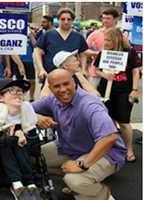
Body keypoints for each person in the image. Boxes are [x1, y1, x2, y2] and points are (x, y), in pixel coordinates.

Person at [32, 69, 126, 200]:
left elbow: (110, 137)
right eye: (57, 86)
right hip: (71, 147)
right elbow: (26, 108)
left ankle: (101, 193)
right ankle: (79, 183)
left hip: (106, 153)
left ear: (74, 82)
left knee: (75, 180)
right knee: (33, 160)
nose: (63, 89)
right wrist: (36, 117)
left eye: (66, 84)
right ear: (50, 88)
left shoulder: (90, 105)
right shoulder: (52, 100)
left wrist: (81, 165)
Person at [0, 79, 41, 200]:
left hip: (20, 138)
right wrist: (5, 127)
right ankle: (16, 182)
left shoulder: (26, 107)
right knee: (7, 141)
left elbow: (31, 130)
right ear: (0, 97)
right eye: (12, 91)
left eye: (20, 91)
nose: (18, 93)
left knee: (19, 143)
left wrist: (21, 134)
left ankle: (29, 182)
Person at [94, 27, 140, 162]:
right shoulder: (103, 53)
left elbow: (135, 71)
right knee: (109, 120)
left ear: (116, 39)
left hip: (124, 91)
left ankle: (129, 149)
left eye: (108, 39)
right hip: (106, 91)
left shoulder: (129, 52)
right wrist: (105, 75)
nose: (106, 42)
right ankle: (115, 147)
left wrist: (134, 89)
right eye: (105, 39)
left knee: (124, 122)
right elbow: (96, 70)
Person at [34, 8, 88, 79]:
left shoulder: (78, 36)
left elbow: (83, 54)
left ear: (72, 20)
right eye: (63, 19)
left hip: (71, 76)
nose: (66, 22)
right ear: (58, 20)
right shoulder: (48, 34)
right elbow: (38, 52)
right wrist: (41, 69)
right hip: (50, 75)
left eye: (69, 19)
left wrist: (83, 69)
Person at [86, 8, 127, 87]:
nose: (105, 20)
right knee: (92, 96)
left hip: (115, 75)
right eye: (103, 18)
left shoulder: (122, 36)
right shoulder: (95, 34)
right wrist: (98, 54)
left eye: (108, 18)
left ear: (116, 19)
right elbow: (84, 50)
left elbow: (127, 53)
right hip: (96, 73)